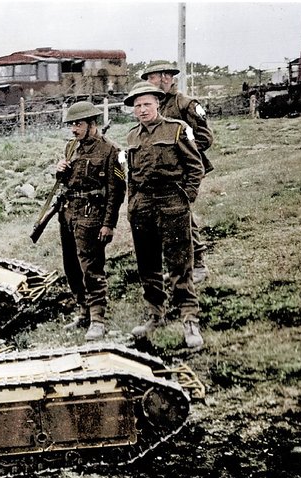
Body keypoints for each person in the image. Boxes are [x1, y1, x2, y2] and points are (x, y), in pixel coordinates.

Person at [123, 82, 205, 348]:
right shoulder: (132, 136)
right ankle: (154, 315)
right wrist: (132, 204)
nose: (142, 109)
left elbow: (195, 166)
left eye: (147, 104)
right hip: (143, 207)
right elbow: (131, 176)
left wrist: (186, 198)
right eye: (137, 106)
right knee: (147, 265)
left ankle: (189, 319)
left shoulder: (177, 129)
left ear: (158, 104)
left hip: (172, 203)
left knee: (180, 265)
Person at [56, 101, 126, 341]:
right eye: (72, 125)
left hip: (92, 216)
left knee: (91, 268)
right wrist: (60, 171)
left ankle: (98, 319)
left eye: (78, 124)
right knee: (71, 266)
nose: (74, 130)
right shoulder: (71, 147)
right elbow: (68, 181)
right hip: (68, 213)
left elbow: (116, 192)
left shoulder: (110, 151)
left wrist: (109, 224)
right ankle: (83, 311)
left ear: (92, 124)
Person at [141, 62, 214, 283]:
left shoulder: (185, 104)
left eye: (151, 78)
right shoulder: (157, 105)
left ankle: (198, 265)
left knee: (185, 218)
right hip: (164, 176)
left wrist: (182, 156)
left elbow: (205, 137)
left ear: (165, 77)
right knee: (168, 221)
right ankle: (178, 267)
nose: (148, 83)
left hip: (183, 174)